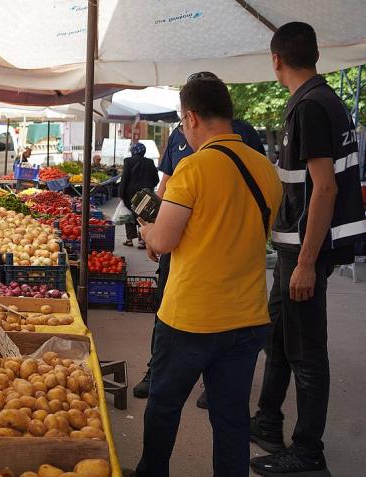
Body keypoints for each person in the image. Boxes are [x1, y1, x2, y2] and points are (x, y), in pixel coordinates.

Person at [134, 76, 282, 477]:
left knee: (164, 408)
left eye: (182, 123)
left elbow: (162, 240)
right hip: (248, 317)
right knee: (231, 420)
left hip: (191, 318)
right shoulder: (266, 170)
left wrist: (147, 231)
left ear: (192, 117)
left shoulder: (193, 167)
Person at [249, 22, 366, 477]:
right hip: (295, 250)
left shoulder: (312, 108)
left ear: (276, 59)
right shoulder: (320, 100)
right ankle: (267, 421)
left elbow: (324, 190)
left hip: (305, 253)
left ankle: (307, 451)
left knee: (307, 352)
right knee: (279, 336)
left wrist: (306, 264)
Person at [118, 142, 159, 248]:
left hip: (130, 194)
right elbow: (156, 179)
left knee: (130, 216)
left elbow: (124, 179)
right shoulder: (150, 162)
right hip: (145, 194)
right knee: (143, 215)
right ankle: (142, 241)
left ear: (132, 151)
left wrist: (121, 194)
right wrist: (150, 188)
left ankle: (129, 240)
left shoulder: (128, 161)